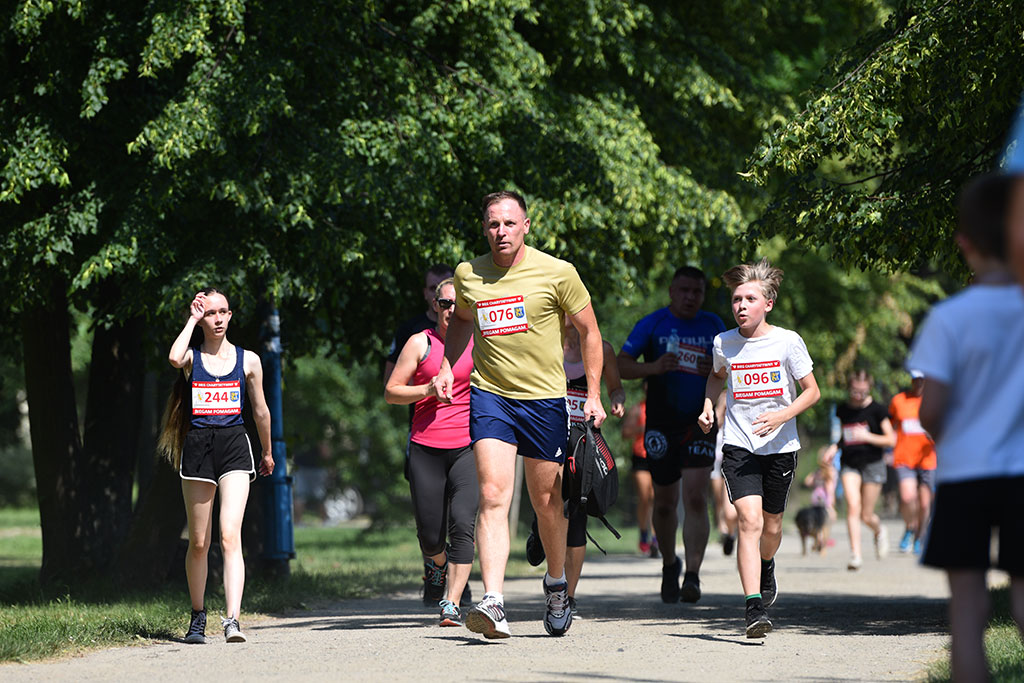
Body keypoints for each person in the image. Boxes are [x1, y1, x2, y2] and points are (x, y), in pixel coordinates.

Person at [434, 190, 607, 639]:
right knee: (492, 493)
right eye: (493, 224)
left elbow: (589, 331)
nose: (500, 232)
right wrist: (448, 367)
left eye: (509, 223)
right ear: (484, 228)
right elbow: (465, 323)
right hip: (490, 396)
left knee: (547, 501)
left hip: (545, 400)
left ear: (526, 226)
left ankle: (555, 583)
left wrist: (593, 394)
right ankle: (493, 601)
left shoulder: (557, 272)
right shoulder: (469, 274)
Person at [908, 173, 1024, 682]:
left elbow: (929, 412)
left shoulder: (949, 318)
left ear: (964, 242)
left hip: (964, 477)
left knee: (968, 610)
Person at [697, 258, 820, 639]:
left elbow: (813, 392)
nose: (741, 306)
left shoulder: (787, 341)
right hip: (739, 444)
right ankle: (753, 607)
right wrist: (707, 406)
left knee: (772, 526)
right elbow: (716, 378)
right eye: (736, 299)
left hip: (781, 446)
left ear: (768, 303)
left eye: (750, 298)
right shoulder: (723, 343)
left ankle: (768, 565)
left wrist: (782, 416)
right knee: (748, 521)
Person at [157, 288, 274, 645]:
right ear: (202, 318)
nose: (219, 319)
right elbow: (174, 358)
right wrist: (191, 318)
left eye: (224, 312)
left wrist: (267, 453)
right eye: (211, 313)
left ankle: (233, 619)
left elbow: (260, 411)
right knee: (199, 542)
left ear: (231, 315)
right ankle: (197, 616)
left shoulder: (249, 360)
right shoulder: (192, 358)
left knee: (228, 536)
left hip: (235, 448)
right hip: (198, 450)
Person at [618, 266, 726, 603]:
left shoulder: (714, 326)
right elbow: (620, 364)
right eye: (684, 290)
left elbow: (735, 367)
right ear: (671, 291)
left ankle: (692, 575)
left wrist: (719, 371)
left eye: (697, 291)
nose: (690, 297)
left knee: (695, 496)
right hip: (661, 425)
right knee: (664, 503)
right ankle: (669, 563)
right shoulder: (653, 324)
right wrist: (652, 368)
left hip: (700, 422)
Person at [385, 278, 479, 627]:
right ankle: (437, 566)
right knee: (430, 534)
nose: (451, 311)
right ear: (434, 306)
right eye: (445, 304)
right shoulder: (419, 343)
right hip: (426, 446)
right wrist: (427, 388)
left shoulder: (480, 342)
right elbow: (392, 392)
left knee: (463, 525)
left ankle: (451, 603)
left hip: (469, 446)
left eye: (458, 304)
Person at [524, 315, 626, 617]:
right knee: (547, 501)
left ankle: (567, 597)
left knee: (577, 513)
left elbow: (615, 388)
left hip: (584, 440)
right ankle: (538, 527)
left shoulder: (602, 349)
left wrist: (617, 401)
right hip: (547, 431)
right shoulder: (542, 342)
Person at [820, 370, 897, 570]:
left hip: (873, 463)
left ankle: (879, 531)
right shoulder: (844, 410)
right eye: (855, 390)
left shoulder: (878, 410)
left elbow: (891, 439)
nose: (858, 395)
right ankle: (856, 555)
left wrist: (867, 436)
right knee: (853, 507)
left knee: (866, 515)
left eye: (862, 391)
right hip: (850, 463)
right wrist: (834, 447)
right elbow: (844, 436)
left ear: (868, 389)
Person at [888, 370, 936, 554]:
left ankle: (920, 536)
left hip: (928, 459)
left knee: (925, 503)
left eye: (923, 381)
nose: (919, 384)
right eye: (916, 380)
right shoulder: (899, 400)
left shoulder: (934, 401)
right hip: (904, 457)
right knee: (908, 497)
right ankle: (910, 527)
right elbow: (889, 425)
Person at [384, 264, 455, 383]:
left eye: (445, 286)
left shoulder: (470, 330)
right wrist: (426, 386)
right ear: (425, 293)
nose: (439, 292)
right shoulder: (409, 330)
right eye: (433, 288)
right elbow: (390, 382)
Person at [621, 383, 656, 557]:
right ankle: (644, 532)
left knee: (657, 497)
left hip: (658, 456)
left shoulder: (663, 408)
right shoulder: (637, 409)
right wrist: (642, 428)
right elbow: (625, 432)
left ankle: (656, 538)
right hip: (641, 457)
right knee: (645, 497)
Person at [709, 391, 737, 556]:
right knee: (718, 499)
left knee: (731, 504)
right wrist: (720, 407)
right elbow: (714, 427)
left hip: (730, 462)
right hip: (716, 462)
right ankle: (723, 529)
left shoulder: (737, 418)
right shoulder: (717, 415)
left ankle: (731, 530)